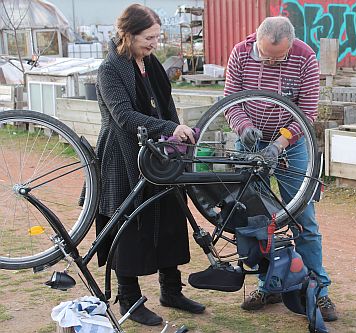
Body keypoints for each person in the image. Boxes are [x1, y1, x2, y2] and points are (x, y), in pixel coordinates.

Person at [94, 4, 204, 326]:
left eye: (157, 37)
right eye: (148, 37)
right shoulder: (110, 69)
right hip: (122, 156)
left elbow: (166, 105)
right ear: (128, 34)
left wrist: (178, 134)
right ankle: (129, 299)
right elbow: (123, 117)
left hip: (159, 155)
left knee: (170, 215)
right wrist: (169, 129)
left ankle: (171, 290)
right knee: (129, 224)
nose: (154, 43)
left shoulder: (150, 63)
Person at [224, 16, 337, 322]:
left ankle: (319, 290)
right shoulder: (240, 52)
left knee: (303, 218)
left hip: (292, 143)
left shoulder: (304, 57)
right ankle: (270, 284)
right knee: (257, 221)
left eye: (278, 58)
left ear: (290, 44)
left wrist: (280, 144)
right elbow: (231, 101)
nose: (270, 63)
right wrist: (243, 127)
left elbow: (307, 113)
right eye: (265, 56)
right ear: (256, 40)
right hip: (250, 144)